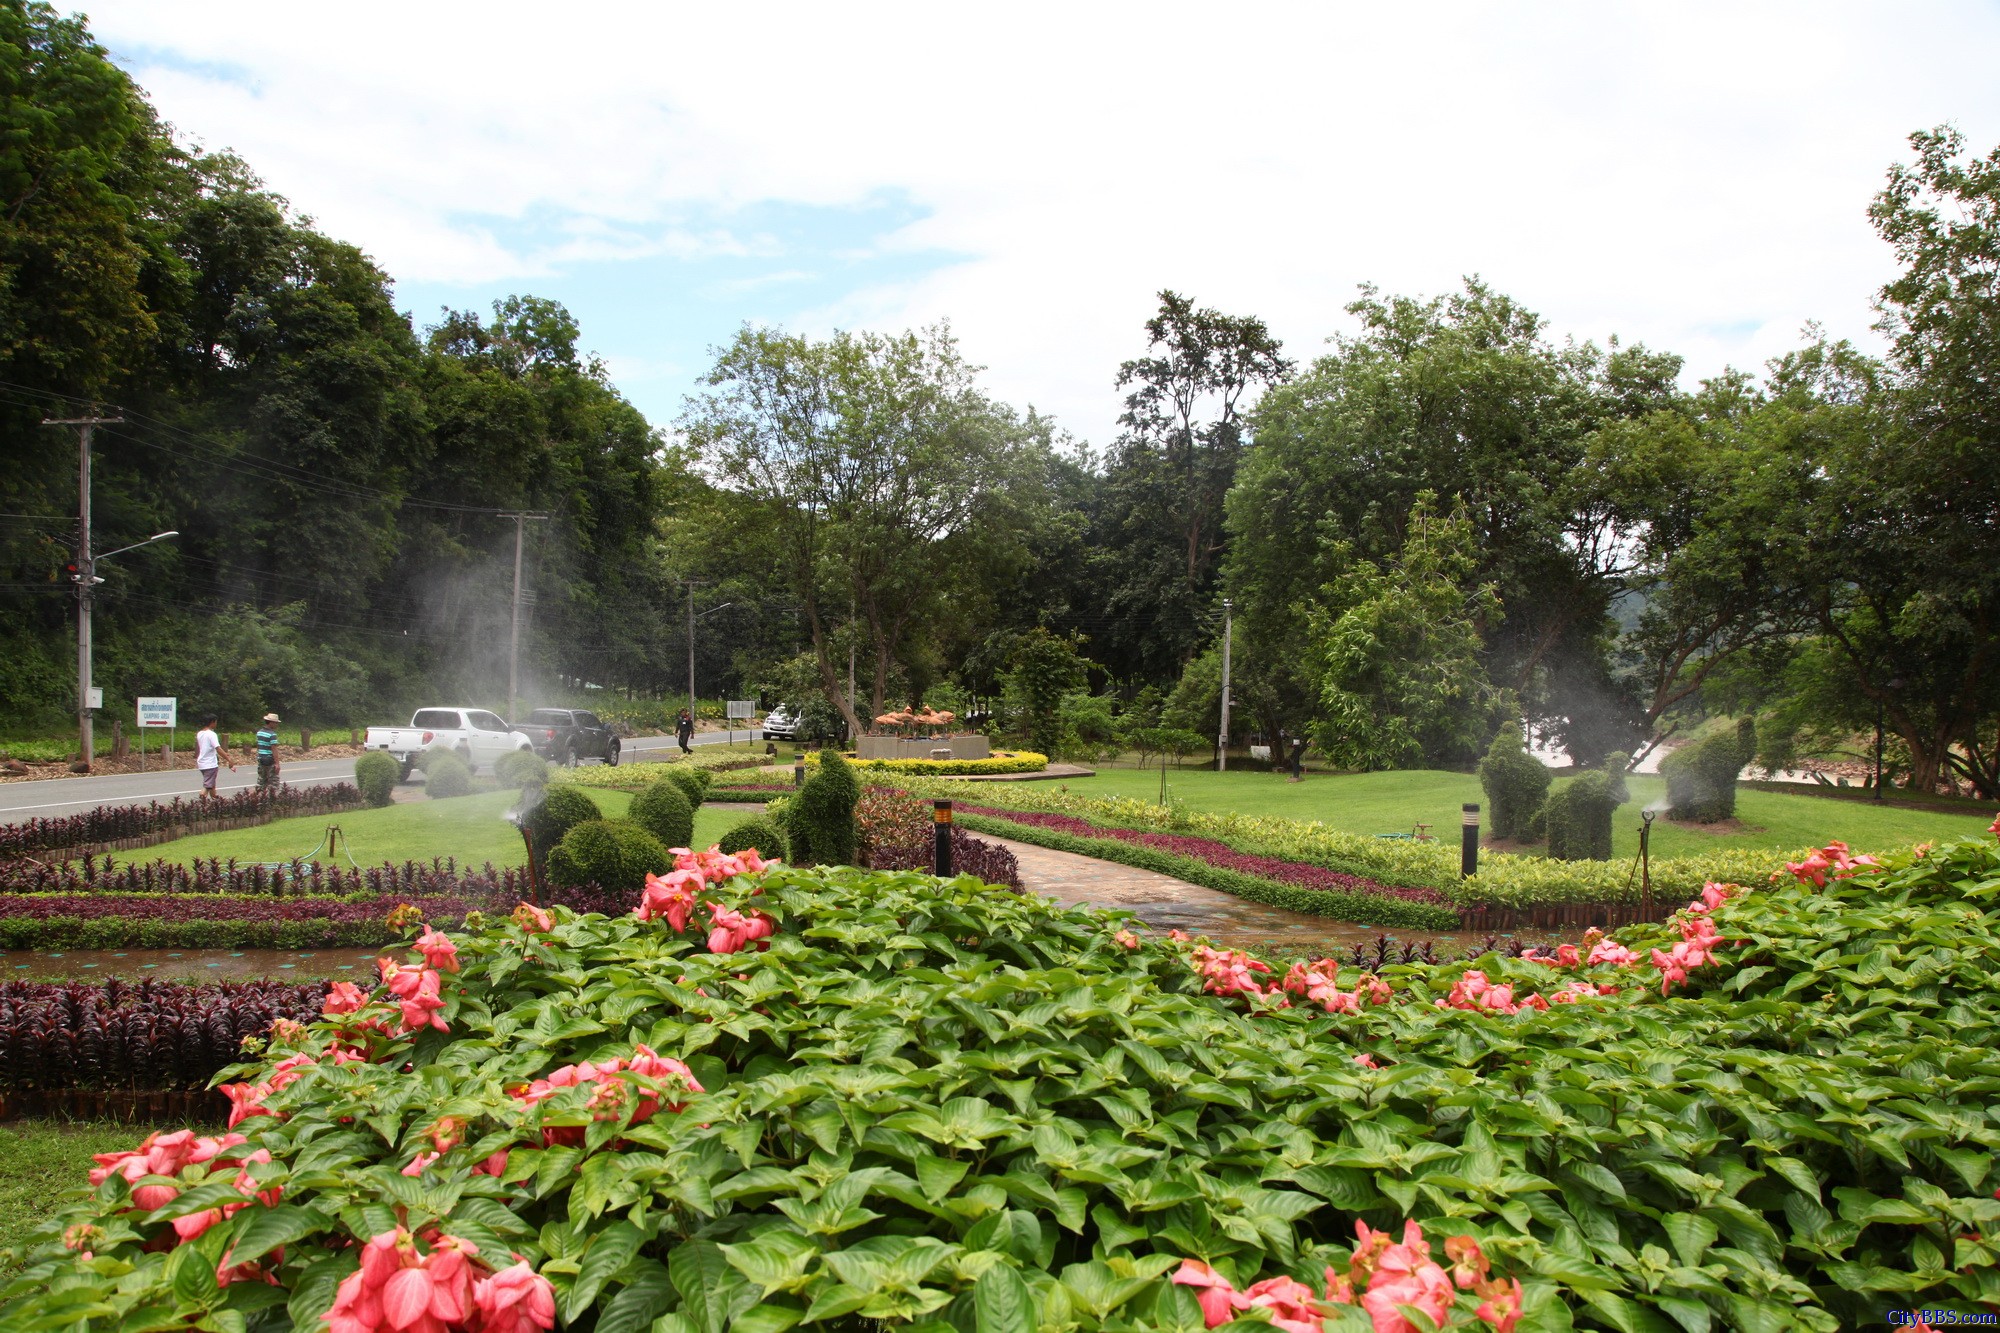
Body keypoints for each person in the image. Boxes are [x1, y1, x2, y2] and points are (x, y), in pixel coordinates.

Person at [195, 714, 235, 800]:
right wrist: (229, 759)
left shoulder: (200, 734)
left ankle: (216, 799)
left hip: (202, 763)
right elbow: (218, 748)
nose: (216, 724)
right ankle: (202, 797)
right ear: (212, 722)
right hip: (210, 764)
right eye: (216, 722)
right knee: (207, 786)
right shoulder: (212, 734)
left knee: (211, 784)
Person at [254, 712, 282, 791]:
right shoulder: (272, 734)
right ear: (271, 723)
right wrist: (277, 763)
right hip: (269, 759)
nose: (277, 725)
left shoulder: (259, 732)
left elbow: (259, 746)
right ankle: (272, 800)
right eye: (276, 723)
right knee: (274, 782)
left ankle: (258, 798)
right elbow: (274, 749)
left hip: (261, 758)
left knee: (262, 782)